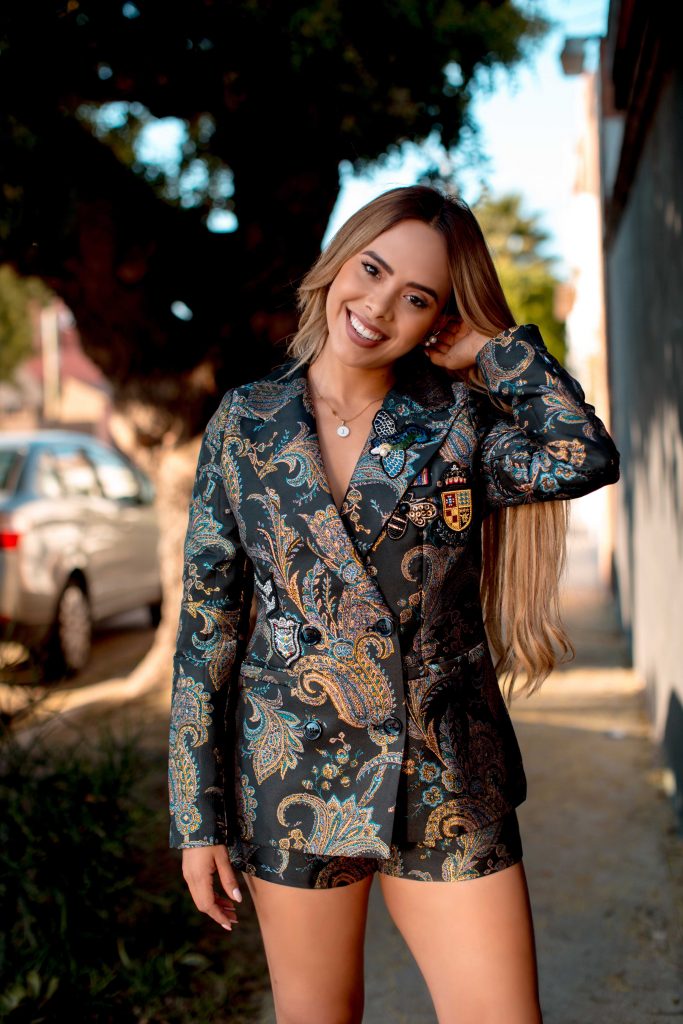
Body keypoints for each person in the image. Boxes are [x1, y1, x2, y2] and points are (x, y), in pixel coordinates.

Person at [168, 185, 620, 1024]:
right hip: (291, 774)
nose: (378, 307)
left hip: (447, 772)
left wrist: (492, 353)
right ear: (339, 261)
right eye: (372, 270)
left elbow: (581, 455)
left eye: (416, 298)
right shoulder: (246, 423)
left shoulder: (457, 423)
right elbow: (207, 629)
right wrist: (197, 818)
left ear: (439, 320)